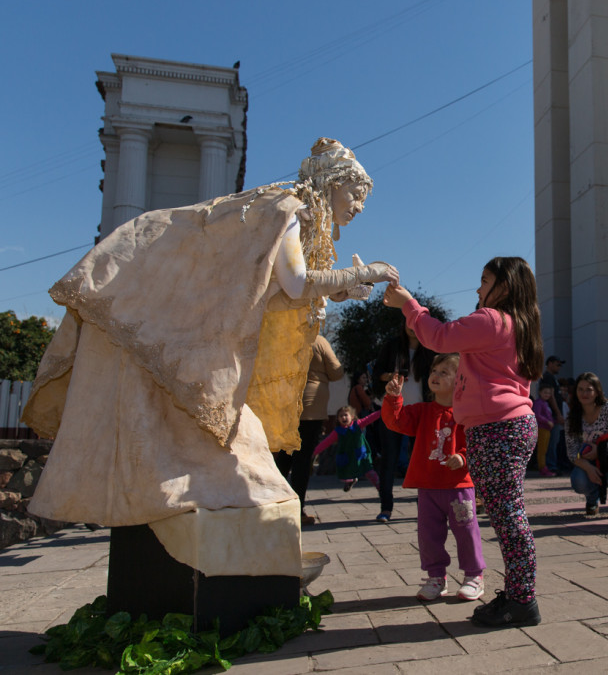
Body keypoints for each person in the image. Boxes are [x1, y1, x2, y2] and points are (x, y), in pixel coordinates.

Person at [23, 137, 398, 584]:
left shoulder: (292, 214)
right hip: (187, 334)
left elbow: (268, 294)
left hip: (207, 341)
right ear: (333, 183)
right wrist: (366, 273)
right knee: (219, 448)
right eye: (355, 194)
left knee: (241, 454)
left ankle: (229, 538)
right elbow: (296, 285)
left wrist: (339, 289)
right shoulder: (288, 208)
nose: (357, 206)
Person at [383, 256, 543, 628]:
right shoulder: (517, 325)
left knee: (509, 519)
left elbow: (438, 336)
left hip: (498, 430)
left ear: (504, 286)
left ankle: (522, 601)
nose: (477, 288)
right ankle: (519, 594)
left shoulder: (493, 319)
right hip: (508, 428)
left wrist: (408, 303)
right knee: (508, 517)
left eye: (484, 280)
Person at [382, 353, 486, 602]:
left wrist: (462, 457)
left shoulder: (467, 414)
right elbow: (396, 421)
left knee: (466, 531)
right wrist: (393, 398)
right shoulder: (422, 411)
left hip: (458, 485)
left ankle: (474, 575)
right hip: (428, 486)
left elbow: (476, 442)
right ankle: (436, 577)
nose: (435, 376)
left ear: (460, 381)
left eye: (444, 372)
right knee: (428, 535)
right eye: (434, 371)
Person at [276, 333, 344, 524]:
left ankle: (273, 501)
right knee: (303, 459)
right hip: (312, 406)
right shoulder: (317, 340)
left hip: (287, 402)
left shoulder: (286, 336)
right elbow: (336, 371)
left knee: (285, 455)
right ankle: (298, 509)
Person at [372, 324, 437, 522]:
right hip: (394, 409)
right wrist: (389, 376)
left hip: (420, 411)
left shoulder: (430, 348)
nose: (412, 327)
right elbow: (377, 373)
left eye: (417, 323)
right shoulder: (392, 346)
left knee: (423, 459)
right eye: (408, 322)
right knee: (389, 459)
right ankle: (386, 508)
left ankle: (425, 507)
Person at [567, 373, 608, 518]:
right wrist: (588, 468)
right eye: (580, 389)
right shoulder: (572, 416)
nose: (584, 393)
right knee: (578, 480)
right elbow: (572, 452)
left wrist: (601, 449)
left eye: (589, 389)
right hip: (588, 461)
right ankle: (592, 498)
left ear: (597, 391)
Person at [312, 405, 381, 492]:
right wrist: (315, 452)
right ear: (338, 419)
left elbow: (370, 418)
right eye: (341, 416)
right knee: (346, 473)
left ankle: (380, 488)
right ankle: (350, 481)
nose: (343, 417)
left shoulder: (358, 425)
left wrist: (382, 412)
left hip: (361, 456)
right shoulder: (338, 431)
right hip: (348, 457)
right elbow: (326, 442)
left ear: (352, 416)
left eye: (345, 415)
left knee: (369, 472)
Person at [541, 356, 567, 473]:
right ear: (550, 363)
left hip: (553, 415)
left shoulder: (553, 378)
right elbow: (551, 397)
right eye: (557, 364)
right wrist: (558, 414)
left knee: (555, 441)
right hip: (551, 416)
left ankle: (553, 464)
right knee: (552, 442)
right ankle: (551, 465)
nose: (559, 367)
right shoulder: (548, 377)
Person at [533, 383, 557, 476]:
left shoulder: (545, 403)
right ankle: (542, 468)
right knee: (542, 450)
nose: (547, 395)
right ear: (540, 392)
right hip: (542, 428)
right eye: (545, 392)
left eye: (549, 393)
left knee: (544, 450)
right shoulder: (539, 403)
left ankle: (544, 467)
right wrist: (548, 422)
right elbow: (537, 415)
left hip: (547, 429)